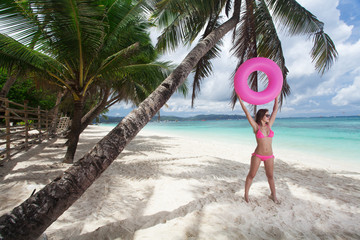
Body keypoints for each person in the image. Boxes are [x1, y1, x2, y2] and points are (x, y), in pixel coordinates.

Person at [238, 94, 280, 203]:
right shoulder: (256, 127)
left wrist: (276, 97)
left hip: (269, 156)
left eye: (268, 115)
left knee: (270, 176)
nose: (269, 116)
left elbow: (275, 110)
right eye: (267, 115)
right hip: (258, 155)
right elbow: (247, 113)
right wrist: (240, 99)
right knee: (251, 175)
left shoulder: (269, 126)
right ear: (261, 116)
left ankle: (273, 195)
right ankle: (246, 195)